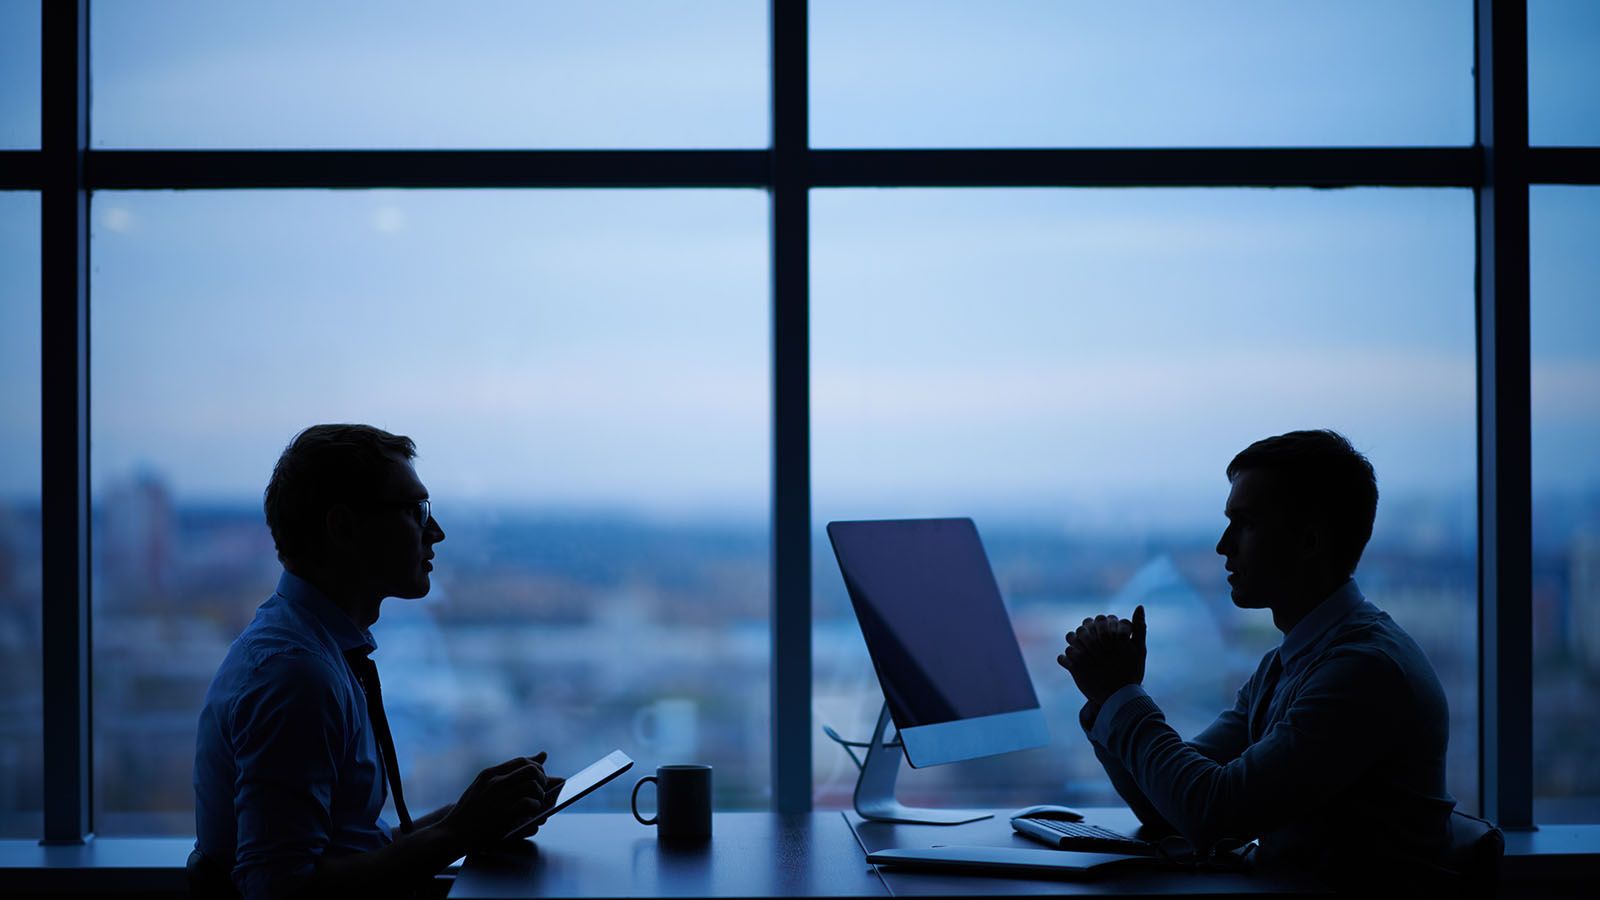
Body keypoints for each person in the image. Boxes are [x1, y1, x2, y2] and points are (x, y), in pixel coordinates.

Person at [1057, 429, 1455, 889]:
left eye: (1245, 523)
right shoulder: (1292, 662)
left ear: (1309, 541)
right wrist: (1111, 701)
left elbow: (1211, 812)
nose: (1224, 545)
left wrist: (1120, 696)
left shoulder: (1364, 673)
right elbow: (1169, 807)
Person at [194, 424, 562, 899]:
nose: (436, 532)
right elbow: (281, 891)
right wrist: (459, 832)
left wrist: (468, 815)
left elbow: (347, 850)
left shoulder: (309, 651)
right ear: (343, 527)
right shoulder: (296, 676)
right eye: (414, 511)